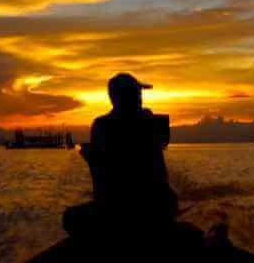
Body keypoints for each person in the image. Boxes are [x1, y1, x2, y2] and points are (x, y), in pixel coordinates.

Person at [64, 73, 178, 236]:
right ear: (121, 97)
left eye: (139, 94)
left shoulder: (101, 125)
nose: (140, 99)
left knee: (71, 217)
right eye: (137, 94)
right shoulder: (147, 122)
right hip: (145, 206)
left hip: (118, 207)